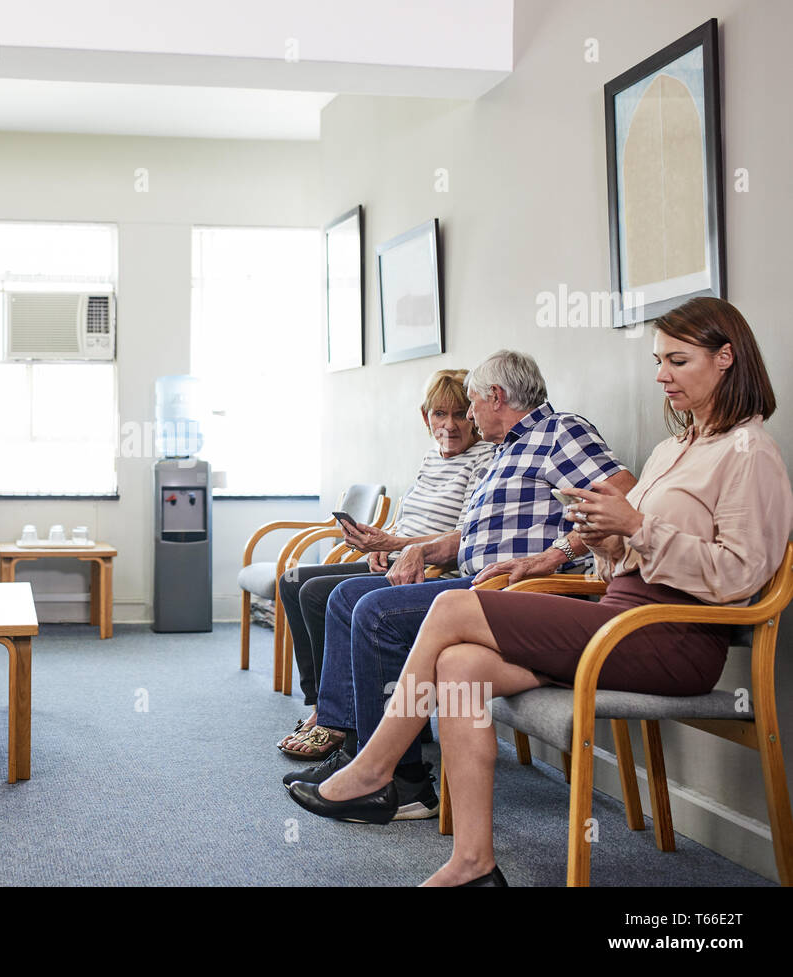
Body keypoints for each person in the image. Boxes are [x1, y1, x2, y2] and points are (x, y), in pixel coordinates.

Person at [286, 297, 793, 885]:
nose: (661, 375)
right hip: (617, 615)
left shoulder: (750, 453)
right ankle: (473, 864)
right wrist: (604, 542)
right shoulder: (672, 449)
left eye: (677, 361)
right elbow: (633, 555)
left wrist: (636, 527)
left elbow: (742, 577)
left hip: (669, 639)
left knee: (451, 605)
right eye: (659, 360)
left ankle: (375, 768)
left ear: (726, 358)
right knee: (458, 664)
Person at [282, 350, 637, 822]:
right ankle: (361, 757)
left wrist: (556, 555)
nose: (467, 416)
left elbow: (624, 496)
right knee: (348, 596)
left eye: (470, 404)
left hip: (524, 593)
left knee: (375, 611)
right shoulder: (503, 451)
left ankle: (403, 783)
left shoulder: (560, 431)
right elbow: (470, 539)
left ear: (495, 396)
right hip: (475, 581)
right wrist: (419, 550)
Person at [277, 369, 494, 759]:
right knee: (294, 582)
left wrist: (394, 544)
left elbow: (462, 535)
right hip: (394, 558)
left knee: (320, 594)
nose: (449, 425)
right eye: (439, 414)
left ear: (474, 416)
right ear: (424, 416)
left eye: (460, 414)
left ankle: (337, 719)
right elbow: (412, 519)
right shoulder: (431, 458)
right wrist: (381, 540)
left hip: (428, 569)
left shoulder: (481, 460)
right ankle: (321, 706)